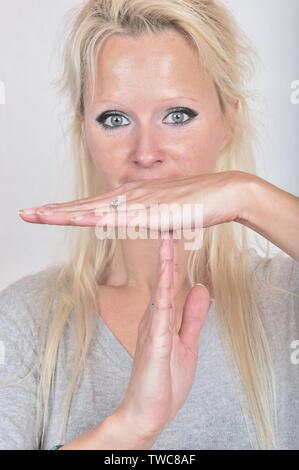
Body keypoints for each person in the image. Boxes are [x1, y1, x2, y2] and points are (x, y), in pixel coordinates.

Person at [1, 0, 299, 451]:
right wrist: (130, 428)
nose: (146, 152)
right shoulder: (25, 320)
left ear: (229, 122)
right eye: (115, 119)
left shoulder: (286, 299)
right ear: (84, 131)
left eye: (178, 115)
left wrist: (246, 194)